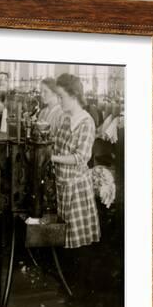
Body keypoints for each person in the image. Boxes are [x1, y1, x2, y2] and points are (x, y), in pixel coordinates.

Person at [51, 73, 101, 250]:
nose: (59, 101)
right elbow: (56, 144)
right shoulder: (65, 118)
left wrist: (52, 158)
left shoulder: (86, 122)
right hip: (62, 185)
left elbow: (80, 157)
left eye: (61, 96)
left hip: (76, 190)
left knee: (77, 244)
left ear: (73, 96)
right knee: (63, 238)